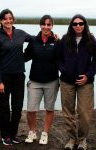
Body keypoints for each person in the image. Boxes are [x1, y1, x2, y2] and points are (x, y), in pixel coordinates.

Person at [0, 9, 33, 146]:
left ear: (13, 19)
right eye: (5, 19)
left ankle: (13, 134)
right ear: (1, 21)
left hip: (19, 76)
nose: (8, 21)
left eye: (10, 18)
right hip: (3, 78)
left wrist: (25, 57)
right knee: (4, 107)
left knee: (17, 106)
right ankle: (5, 135)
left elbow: (35, 40)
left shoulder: (20, 33)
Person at [58, 14, 96, 150]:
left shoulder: (91, 40)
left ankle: (82, 140)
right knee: (68, 112)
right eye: (75, 24)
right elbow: (58, 58)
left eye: (81, 23)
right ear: (71, 26)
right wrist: (64, 70)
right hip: (67, 82)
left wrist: (88, 75)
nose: (78, 26)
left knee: (85, 113)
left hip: (86, 83)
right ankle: (72, 139)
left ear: (85, 24)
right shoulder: (65, 40)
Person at [24, 15, 59, 145]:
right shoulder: (33, 41)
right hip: (35, 81)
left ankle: (45, 134)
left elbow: (63, 58)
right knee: (31, 109)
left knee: (49, 108)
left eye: (49, 24)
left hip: (52, 81)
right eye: (43, 24)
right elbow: (25, 57)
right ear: (40, 25)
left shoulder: (56, 41)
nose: (46, 26)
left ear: (52, 26)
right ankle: (32, 132)